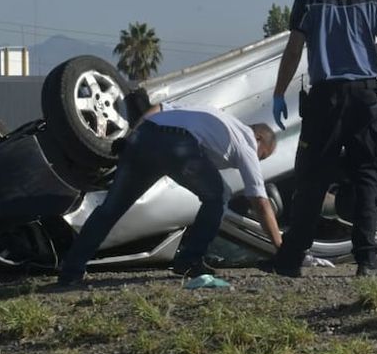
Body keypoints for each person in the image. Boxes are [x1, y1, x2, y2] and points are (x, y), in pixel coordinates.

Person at [265, 0, 377, 278]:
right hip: (365, 96)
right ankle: (367, 259)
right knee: (367, 175)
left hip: (325, 99)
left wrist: (279, 93)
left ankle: (291, 259)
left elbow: (293, 50)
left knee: (313, 177)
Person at [56, 103, 281, 285]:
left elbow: (159, 107)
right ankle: (190, 260)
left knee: (110, 210)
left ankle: (71, 269)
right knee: (219, 194)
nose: (257, 160)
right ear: (259, 138)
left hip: (144, 137)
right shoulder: (246, 141)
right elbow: (260, 201)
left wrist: (132, 135)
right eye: (262, 156)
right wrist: (280, 247)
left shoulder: (214, 113)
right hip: (176, 144)